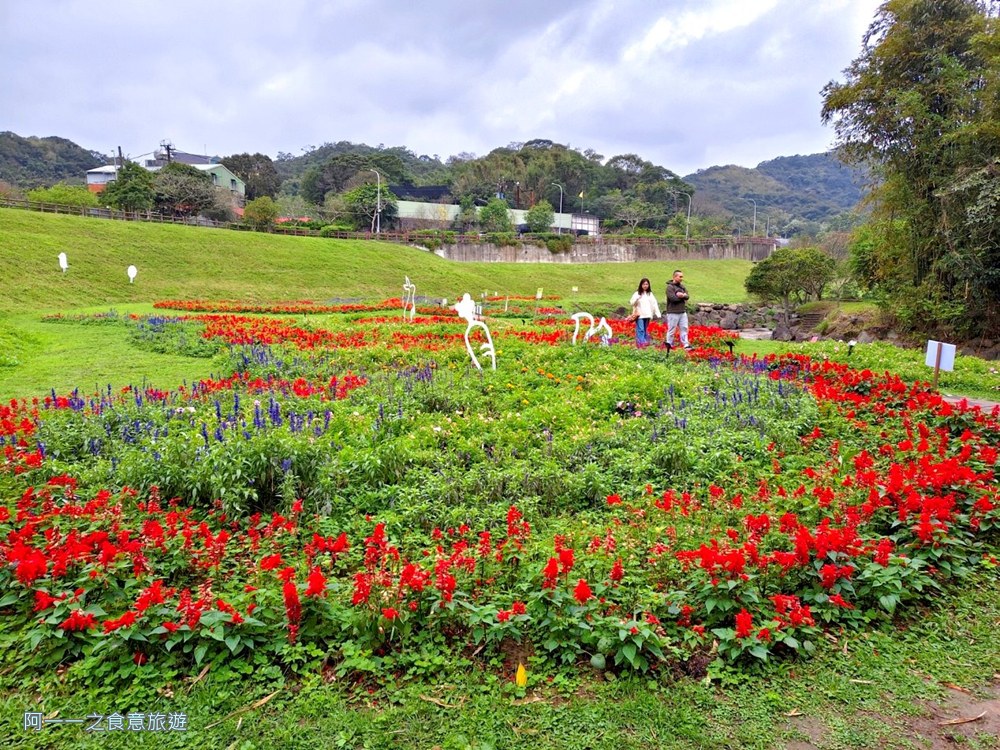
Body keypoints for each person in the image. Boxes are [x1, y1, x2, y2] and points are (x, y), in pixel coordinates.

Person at [664, 269, 692, 350]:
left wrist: (682, 296)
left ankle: (686, 345)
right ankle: (669, 344)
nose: (681, 278)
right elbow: (673, 299)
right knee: (671, 329)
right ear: (674, 277)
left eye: (682, 277)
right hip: (673, 312)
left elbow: (687, 296)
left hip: (682, 312)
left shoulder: (682, 287)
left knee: (684, 328)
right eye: (680, 277)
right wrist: (681, 296)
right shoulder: (670, 287)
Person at [629, 277, 660, 346]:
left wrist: (657, 312)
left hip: (647, 314)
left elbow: (654, 303)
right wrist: (637, 298)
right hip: (640, 315)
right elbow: (632, 302)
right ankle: (641, 343)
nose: (645, 286)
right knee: (641, 329)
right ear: (641, 285)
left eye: (647, 284)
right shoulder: (637, 293)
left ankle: (644, 342)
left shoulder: (650, 294)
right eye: (644, 284)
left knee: (645, 329)